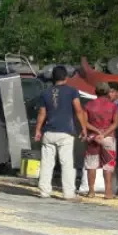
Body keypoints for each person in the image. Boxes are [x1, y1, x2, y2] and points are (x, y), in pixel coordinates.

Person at [34, 65, 88, 200]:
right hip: (65, 132)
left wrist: (38, 130)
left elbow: (42, 113)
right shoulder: (72, 91)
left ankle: (44, 191)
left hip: (49, 132)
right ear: (66, 77)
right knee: (67, 163)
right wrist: (84, 128)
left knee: (47, 163)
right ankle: (68, 193)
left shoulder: (45, 93)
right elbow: (78, 110)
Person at [82, 82, 118, 199]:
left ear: (95, 92)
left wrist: (97, 131)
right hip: (108, 137)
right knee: (108, 165)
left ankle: (91, 191)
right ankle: (108, 192)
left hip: (93, 137)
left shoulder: (88, 105)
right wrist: (103, 133)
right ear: (108, 92)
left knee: (91, 165)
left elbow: (85, 122)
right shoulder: (113, 106)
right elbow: (116, 123)